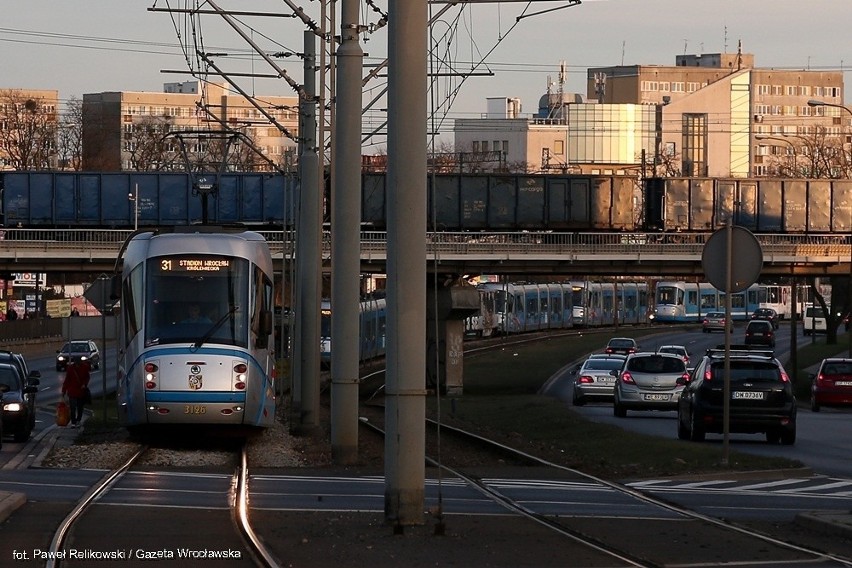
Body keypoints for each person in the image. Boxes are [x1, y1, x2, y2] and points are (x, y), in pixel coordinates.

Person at [61, 360, 91, 428]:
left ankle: (78, 420)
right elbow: (67, 380)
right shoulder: (71, 368)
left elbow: (87, 377)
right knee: (73, 407)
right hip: (72, 391)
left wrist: (84, 384)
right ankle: (73, 422)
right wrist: (64, 390)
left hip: (80, 391)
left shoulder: (84, 367)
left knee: (80, 407)